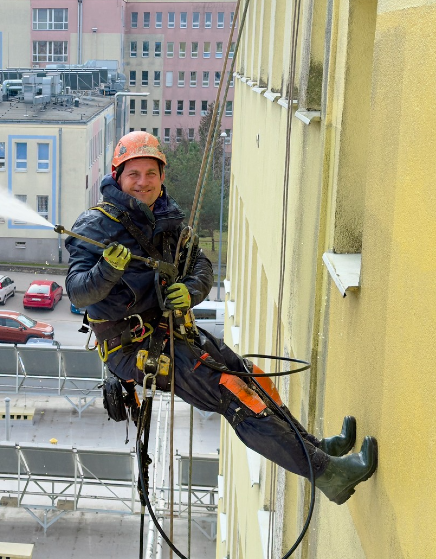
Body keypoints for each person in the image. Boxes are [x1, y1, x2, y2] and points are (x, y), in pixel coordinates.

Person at [64, 131, 377, 505]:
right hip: (132, 346)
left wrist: (192, 290)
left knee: (246, 374)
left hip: (171, 333)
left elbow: (200, 265)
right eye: (134, 174)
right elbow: (79, 291)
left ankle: (316, 447)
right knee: (234, 395)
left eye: (151, 173)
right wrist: (106, 270)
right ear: (118, 177)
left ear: (162, 176)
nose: (143, 182)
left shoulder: (167, 218)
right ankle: (329, 476)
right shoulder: (96, 226)